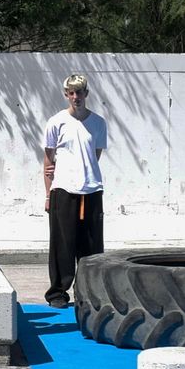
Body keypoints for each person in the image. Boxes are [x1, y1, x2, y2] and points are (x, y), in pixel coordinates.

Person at [42, 74, 107, 309]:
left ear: (86, 94)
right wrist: (49, 194)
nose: (76, 97)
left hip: (91, 190)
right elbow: (48, 163)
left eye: (79, 92)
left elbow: (95, 156)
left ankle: (89, 293)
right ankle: (58, 293)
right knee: (62, 244)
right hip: (63, 190)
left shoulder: (98, 123)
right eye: (71, 92)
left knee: (91, 246)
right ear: (66, 95)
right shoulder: (56, 122)